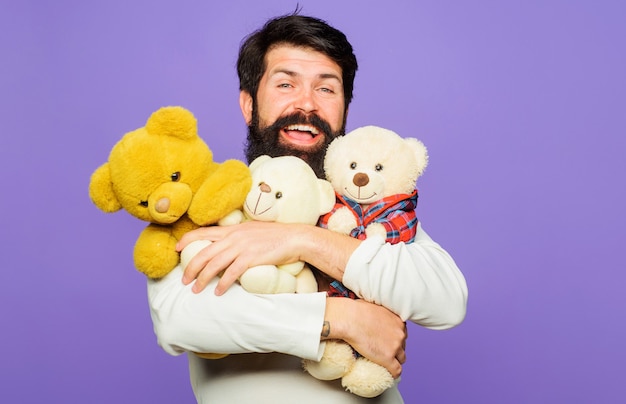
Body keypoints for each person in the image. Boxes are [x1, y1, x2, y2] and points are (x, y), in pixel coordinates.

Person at [147, 12, 468, 403]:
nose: (306, 104)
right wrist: (343, 320)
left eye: (326, 90)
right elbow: (181, 322)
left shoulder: (364, 206)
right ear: (249, 105)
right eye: (285, 84)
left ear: (344, 110)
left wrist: (302, 240)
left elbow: (445, 300)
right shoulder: (205, 202)